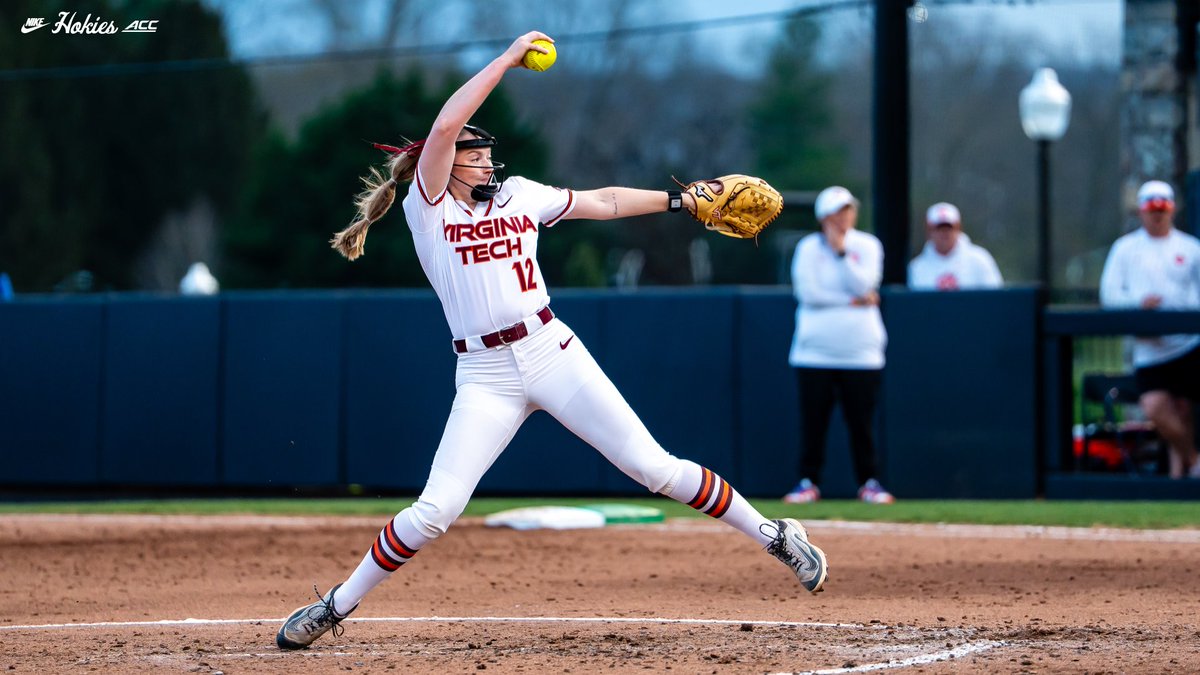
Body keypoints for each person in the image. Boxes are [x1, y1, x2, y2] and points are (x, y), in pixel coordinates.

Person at [276, 31, 828, 650]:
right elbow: (444, 125)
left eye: (487, 155)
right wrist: (508, 61)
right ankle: (334, 605)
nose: (487, 163)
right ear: (448, 163)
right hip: (485, 374)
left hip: (551, 349)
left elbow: (604, 202)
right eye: (475, 155)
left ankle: (776, 536)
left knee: (654, 468)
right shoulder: (429, 210)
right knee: (434, 513)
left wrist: (679, 199)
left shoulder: (520, 196)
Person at [783, 186, 894, 505]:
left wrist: (842, 252)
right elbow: (809, 295)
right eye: (836, 212)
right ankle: (808, 482)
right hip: (813, 351)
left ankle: (869, 483)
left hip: (861, 352)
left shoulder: (867, 245)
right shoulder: (807, 248)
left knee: (862, 423)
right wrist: (852, 300)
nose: (843, 217)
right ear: (823, 217)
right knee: (813, 423)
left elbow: (866, 284)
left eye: (848, 210)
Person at [1099, 179, 1200, 479]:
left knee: (1184, 409)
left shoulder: (1191, 248)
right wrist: (1138, 304)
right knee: (1155, 407)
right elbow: (1110, 295)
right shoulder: (1125, 249)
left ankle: (1178, 480)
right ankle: (1194, 462)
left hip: (1188, 344)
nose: (1157, 215)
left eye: (1163, 209)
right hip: (1149, 349)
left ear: (1172, 210)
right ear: (1141, 212)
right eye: (1151, 209)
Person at [907, 202, 1003, 291]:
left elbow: (995, 300)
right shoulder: (916, 268)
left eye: (949, 228)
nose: (944, 234)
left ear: (958, 228)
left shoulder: (980, 260)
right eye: (939, 228)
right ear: (929, 231)